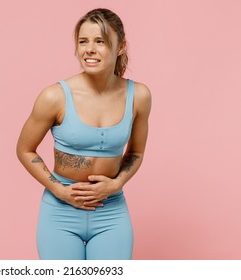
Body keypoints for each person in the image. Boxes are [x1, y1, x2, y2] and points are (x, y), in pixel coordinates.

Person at [16, 8, 151, 260]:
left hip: (111, 212)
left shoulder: (139, 96)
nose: (89, 49)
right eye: (83, 41)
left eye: (100, 41)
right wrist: (59, 190)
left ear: (120, 46)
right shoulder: (54, 96)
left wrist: (117, 183)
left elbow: (136, 152)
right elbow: (24, 149)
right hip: (60, 213)